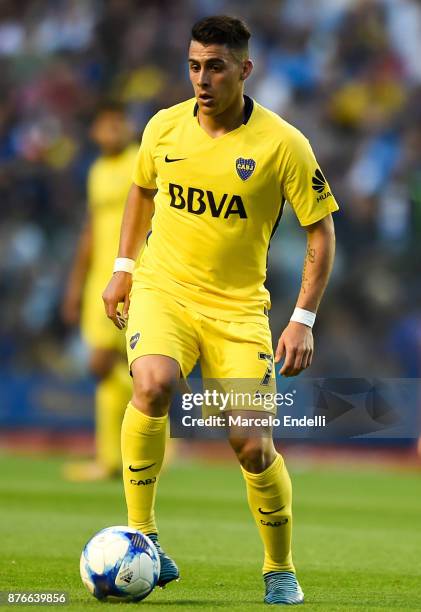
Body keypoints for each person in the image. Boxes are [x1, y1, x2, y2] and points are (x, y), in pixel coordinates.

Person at [102, 15, 337, 605]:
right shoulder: (163, 127)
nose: (201, 79)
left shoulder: (283, 144)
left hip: (238, 312)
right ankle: (145, 538)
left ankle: (279, 570)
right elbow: (142, 190)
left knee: (252, 445)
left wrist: (302, 319)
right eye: (193, 65)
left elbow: (321, 233)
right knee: (152, 384)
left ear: (244, 70)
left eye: (215, 67)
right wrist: (124, 269)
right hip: (165, 292)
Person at [62, 101, 137, 481]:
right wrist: (75, 285)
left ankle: (121, 454)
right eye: (106, 126)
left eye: (119, 124)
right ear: (94, 132)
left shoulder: (140, 162)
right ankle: (113, 458)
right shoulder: (97, 171)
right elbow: (90, 231)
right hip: (100, 281)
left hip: (133, 276)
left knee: (109, 365)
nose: (114, 132)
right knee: (112, 369)